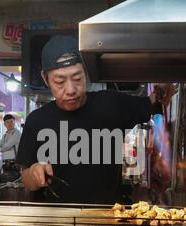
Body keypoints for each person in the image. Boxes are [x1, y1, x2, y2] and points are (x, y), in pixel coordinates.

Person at [16, 35, 166, 204]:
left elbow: (154, 100)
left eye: (77, 79)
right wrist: (35, 174)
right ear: (45, 78)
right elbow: (26, 179)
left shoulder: (112, 104)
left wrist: (165, 86)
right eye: (60, 81)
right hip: (58, 221)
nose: (71, 90)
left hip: (109, 217)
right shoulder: (37, 120)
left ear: (86, 72)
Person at [0, 114, 21, 183]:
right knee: (5, 184)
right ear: (4, 124)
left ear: (14, 122)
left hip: (14, 163)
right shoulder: (5, 135)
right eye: (7, 122)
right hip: (5, 163)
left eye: (11, 121)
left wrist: (3, 148)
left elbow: (7, 146)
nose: (10, 124)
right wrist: (3, 148)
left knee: (13, 184)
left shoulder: (17, 133)